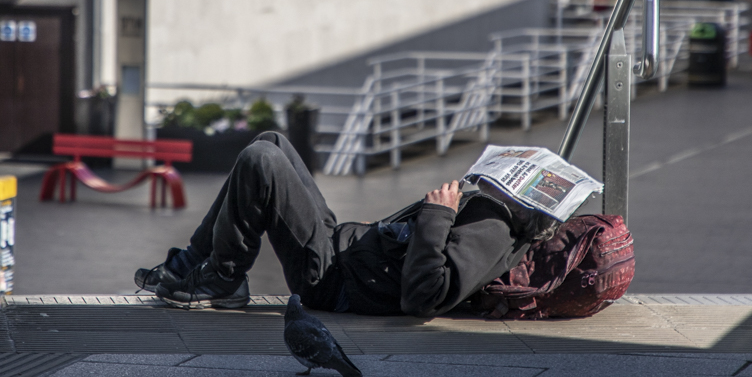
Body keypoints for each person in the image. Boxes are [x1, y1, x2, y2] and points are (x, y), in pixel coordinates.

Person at [135, 131, 563, 316]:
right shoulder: (492, 215)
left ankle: (225, 279)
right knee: (271, 141)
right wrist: (379, 230)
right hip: (343, 251)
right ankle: (191, 261)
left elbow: (424, 297)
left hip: (331, 280)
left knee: (260, 161)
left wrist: (438, 216)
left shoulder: (495, 231)